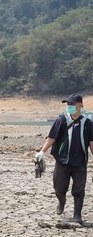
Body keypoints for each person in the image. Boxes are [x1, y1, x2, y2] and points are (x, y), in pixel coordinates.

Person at [35, 94, 93, 225]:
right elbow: (52, 137)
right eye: (68, 104)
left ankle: (77, 215)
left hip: (80, 163)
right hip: (62, 161)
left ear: (80, 105)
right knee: (59, 188)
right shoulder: (61, 120)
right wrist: (42, 152)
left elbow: (91, 142)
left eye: (72, 104)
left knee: (79, 190)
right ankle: (61, 201)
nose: (69, 107)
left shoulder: (87, 123)